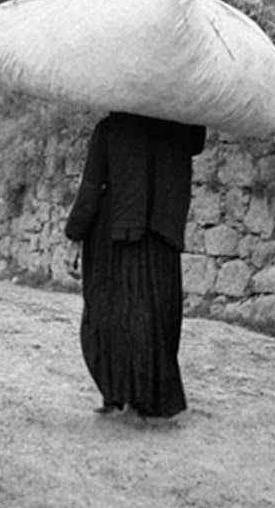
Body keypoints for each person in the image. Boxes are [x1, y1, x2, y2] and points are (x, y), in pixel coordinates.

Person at [64, 112, 206, 419]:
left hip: (115, 233)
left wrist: (74, 236)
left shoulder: (111, 128)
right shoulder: (180, 129)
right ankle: (151, 398)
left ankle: (117, 393)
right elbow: (197, 139)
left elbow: (90, 188)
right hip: (161, 235)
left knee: (110, 313)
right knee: (155, 316)